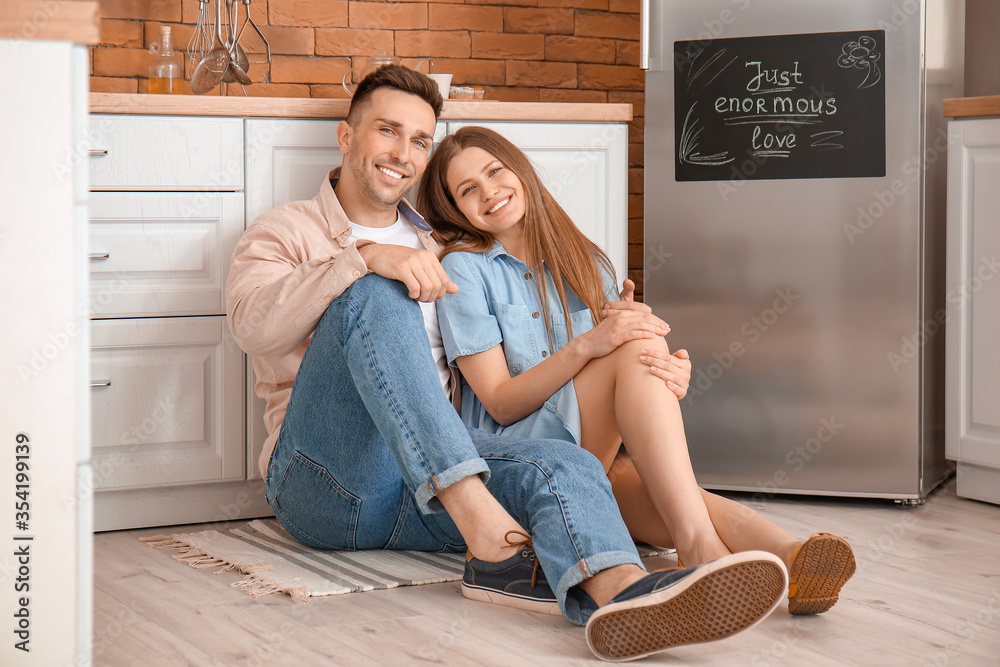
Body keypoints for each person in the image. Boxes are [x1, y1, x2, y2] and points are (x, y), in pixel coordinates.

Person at [226, 65, 790, 662]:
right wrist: (363, 257)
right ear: (347, 137)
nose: (403, 152)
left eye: (419, 140)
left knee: (564, 460)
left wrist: (639, 355)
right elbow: (249, 325)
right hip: (331, 485)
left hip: (426, 494)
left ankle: (624, 595)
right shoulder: (286, 230)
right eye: (386, 131)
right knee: (374, 291)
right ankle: (492, 542)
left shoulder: (446, 250)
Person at [417, 125, 856, 618]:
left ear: (519, 170)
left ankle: (794, 560)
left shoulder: (583, 260)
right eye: (467, 189)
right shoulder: (464, 269)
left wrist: (665, 379)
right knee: (637, 348)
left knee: (673, 481)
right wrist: (596, 347)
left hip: (593, 456)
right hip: (521, 462)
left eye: (494, 171)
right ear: (456, 209)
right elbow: (498, 400)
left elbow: (616, 381)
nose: (489, 191)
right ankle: (701, 551)